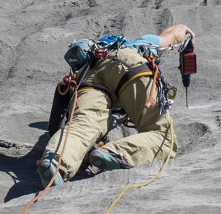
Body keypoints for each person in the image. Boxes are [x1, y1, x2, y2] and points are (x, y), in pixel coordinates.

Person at [37, 24, 195, 187]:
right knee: (161, 135)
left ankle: (55, 163)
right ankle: (114, 153)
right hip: (128, 64)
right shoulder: (140, 43)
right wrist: (187, 33)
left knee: (82, 125)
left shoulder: (86, 65)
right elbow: (171, 35)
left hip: (90, 78)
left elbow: (60, 117)